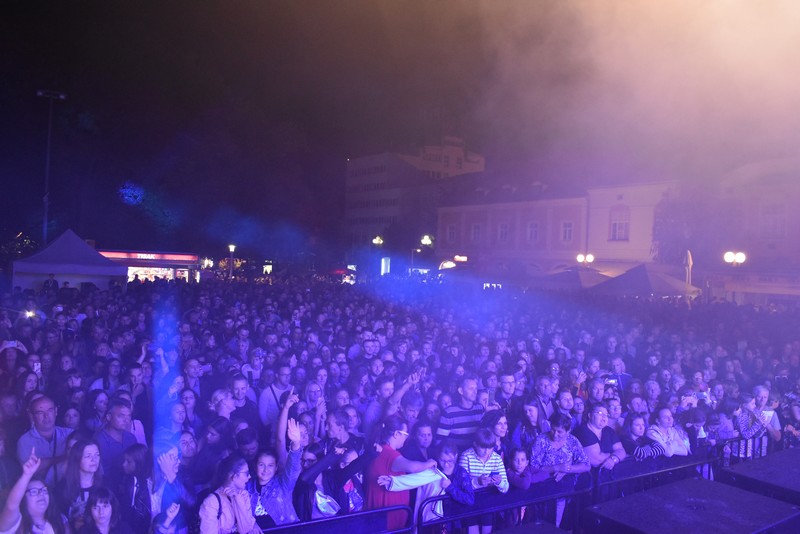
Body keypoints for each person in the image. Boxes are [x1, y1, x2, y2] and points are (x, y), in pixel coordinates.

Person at [365, 415, 436, 531]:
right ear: (396, 434)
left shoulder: (380, 449)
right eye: (405, 434)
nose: (406, 438)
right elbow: (413, 468)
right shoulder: (390, 454)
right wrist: (428, 463)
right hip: (388, 511)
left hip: (381, 509)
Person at [530, 413, 591, 527]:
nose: (555, 434)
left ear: (568, 431)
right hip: (543, 489)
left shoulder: (572, 441)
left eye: (560, 432)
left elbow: (586, 465)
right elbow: (533, 467)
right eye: (553, 430)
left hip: (566, 489)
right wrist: (557, 467)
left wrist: (567, 469)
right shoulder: (541, 440)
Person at [247, 419, 303, 528]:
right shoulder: (247, 486)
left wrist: (296, 443)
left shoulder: (283, 483)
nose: (265, 470)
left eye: (270, 465)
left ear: (276, 468)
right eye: (261, 465)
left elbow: (293, 468)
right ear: (255, 466)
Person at [0, 448, 66, 534]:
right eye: (34, 491)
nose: (41, 494)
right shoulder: (15, 524)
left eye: (44, 490)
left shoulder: (59, 520)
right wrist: (27, 475)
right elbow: (11, 506)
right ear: (22, 498)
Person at [458, 427, 509, 534]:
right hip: (470, 502)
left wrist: (499, 482)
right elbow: (460, 486)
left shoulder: (496, 458)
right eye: (483, 447)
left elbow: (505, 487)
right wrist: (477, 482)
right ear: (475, 444)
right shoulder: (466, 456)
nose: (487, 452)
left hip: (488, 502)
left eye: (490, 448)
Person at [17, 396, 71, 485]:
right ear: (32, 416)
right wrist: (63, 458)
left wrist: (45, 463)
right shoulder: (24, 442)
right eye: (40, 412)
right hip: (39, 489)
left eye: (50, 411)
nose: (46, 416)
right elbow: (32, 472)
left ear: (56, 411)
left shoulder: (69, 434)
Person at [198, 455, 257, 534]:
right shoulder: (211, 502)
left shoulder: (243, 495)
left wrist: (238, 499)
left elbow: (245, 529)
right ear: (234, 477)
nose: (249, 476)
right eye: (246, 473)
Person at [58, 439, 103, 531]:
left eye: (97, 455)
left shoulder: (106, 484)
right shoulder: (62, 488)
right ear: (77, 459)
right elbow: (58, 518)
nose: (94, 460)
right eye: (88, 456)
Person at [436, 375, 485, 451]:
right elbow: (440, 441)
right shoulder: (449, 413)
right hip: (455, 455)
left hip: (476, 454)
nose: (475, 392)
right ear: (461, 391)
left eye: (476, 389)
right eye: (471, 389)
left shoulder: (480, 409)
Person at [573, 404, 627, 469]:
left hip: (611, 471)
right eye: (600, 413)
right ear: (590, 415)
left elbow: (622, 451)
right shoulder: (582, 431)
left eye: (606, 415)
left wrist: (613, 459)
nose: (604, 417)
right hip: (591, 473)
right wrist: (615, 455)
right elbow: (596, 460)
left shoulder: (608, 430)